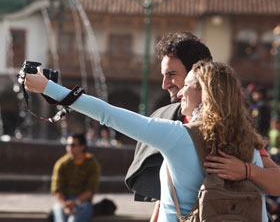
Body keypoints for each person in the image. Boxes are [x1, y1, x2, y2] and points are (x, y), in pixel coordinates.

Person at [19, 60, 268, 221]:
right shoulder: (246, 141)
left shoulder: (178, 135)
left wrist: (48, 88)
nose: (180, 91)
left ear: (206, 92)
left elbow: (108, 114)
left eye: (188, 85)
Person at [125, 31, 213, 204]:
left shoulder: (233, 120)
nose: (164, 84)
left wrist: (247, 171)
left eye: (171, 75)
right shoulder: (167, 117)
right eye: (164, 75)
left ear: (196, 73)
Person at [51, 133, 100, 222]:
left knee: (74, 220)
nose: (69, 148)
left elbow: (90, 190)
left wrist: (75, 203)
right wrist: (65, 205)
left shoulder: (92, 164)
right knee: (60, 217)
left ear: (82, 147)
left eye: (73, 145)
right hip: (64, 201)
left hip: (83, 202)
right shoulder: (61, 163)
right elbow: (56, 189)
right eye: (68, 145)